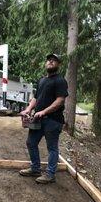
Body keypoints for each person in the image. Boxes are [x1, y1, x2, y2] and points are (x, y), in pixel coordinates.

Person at [20, 53, 68, 184]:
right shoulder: (41, 80)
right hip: (38, 119)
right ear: (45, 63)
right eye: (49, 60)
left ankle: (50, 174)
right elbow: (36, 98)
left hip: (53, 120)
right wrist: (29, 109)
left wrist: (44, 111)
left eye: (54, 60)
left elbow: (60, 100)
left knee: (52, 147)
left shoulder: (60, 81)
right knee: (31, 142)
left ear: (58, 64)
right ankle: (35, 168)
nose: (51, 62)